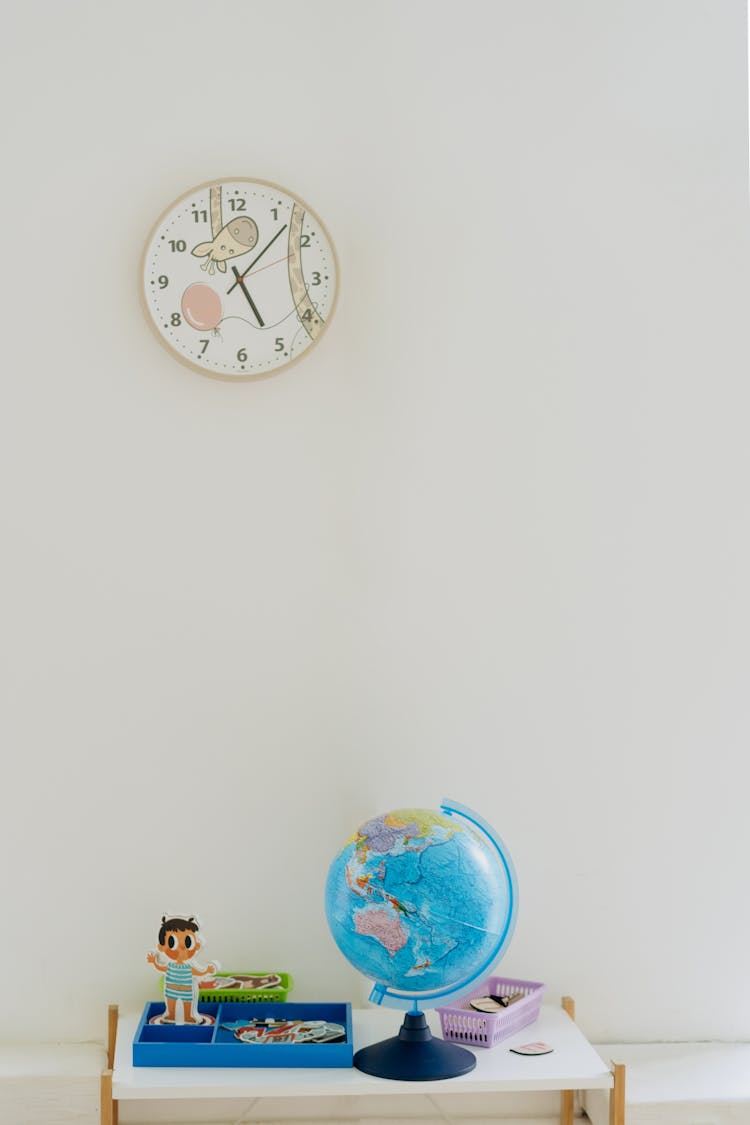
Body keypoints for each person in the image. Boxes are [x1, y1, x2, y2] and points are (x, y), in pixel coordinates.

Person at [147, 914, 217, 1024]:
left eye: (188, 942)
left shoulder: (188, 966)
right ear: (161, 947)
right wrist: (154, 961)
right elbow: (161, 967)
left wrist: (206, 971)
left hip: (186, 990)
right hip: (171, 989)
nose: (182, 946)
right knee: (171, 1002)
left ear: (197, 945)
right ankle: (171, 1015)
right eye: (172, 942)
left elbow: (196, 972)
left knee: (188, 1002)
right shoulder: (170, 965)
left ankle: (189, 1016)